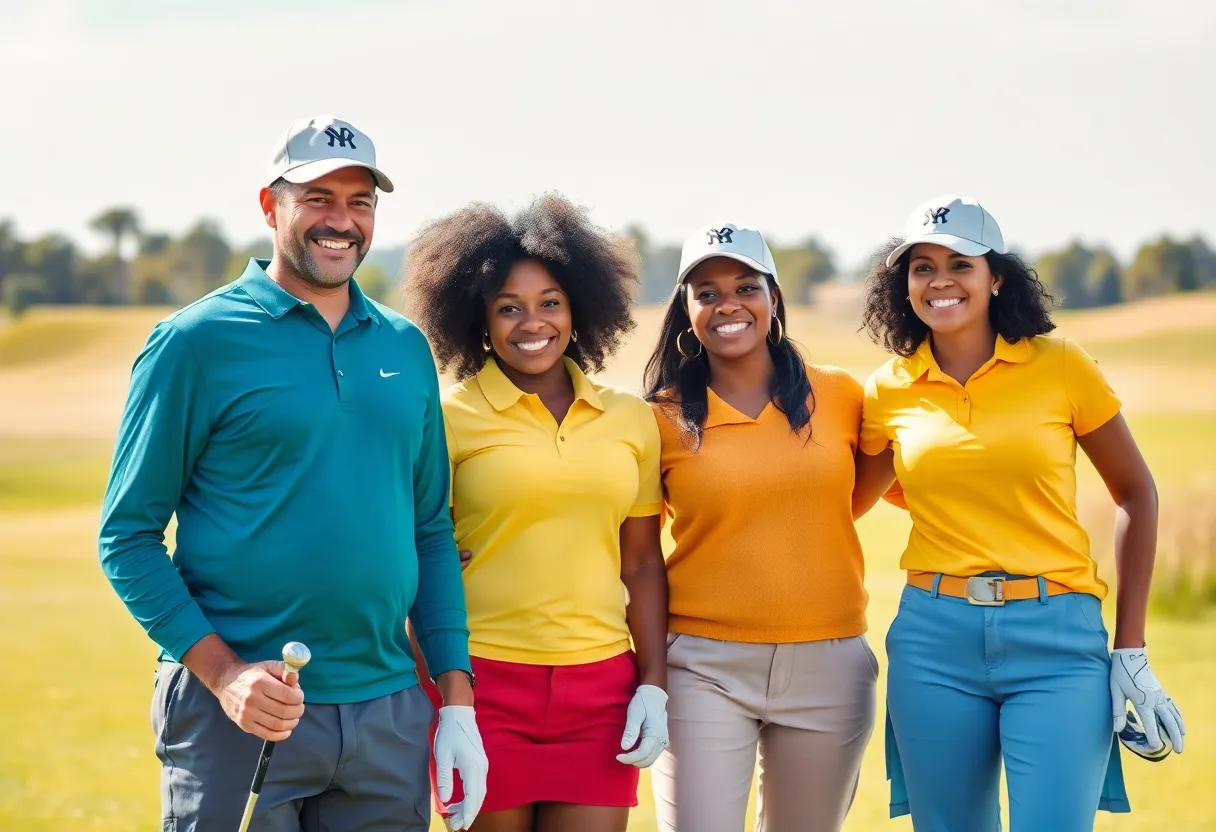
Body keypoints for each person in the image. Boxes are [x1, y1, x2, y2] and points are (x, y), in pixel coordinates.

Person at [97, 115, 489, 832]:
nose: (341, 221)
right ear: (269, 205)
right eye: (318, 198)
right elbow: (126, 537)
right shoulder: (193, 343)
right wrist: (225, 676)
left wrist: (455, 702)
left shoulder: (405, 348)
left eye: (360, 201)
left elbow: (430, 531)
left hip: (388, 712)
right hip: (237, 712)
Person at [854, 195, 1187, 831]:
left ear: (996, 276)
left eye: (960, 263)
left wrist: (1132, 649)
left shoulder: (1061, 365)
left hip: (1058, 639)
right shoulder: (888, 388)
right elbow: (851, 499)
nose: (940, 280)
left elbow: (1135, 493)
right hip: (933, 641)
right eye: (921, 267)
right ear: (903, 285)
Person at [400, 194, 671, 832]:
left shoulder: (630, 419)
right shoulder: (447, 418)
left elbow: (641, 562)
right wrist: (443, 702)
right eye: (508, 307)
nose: (533, 322)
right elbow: (419, 557)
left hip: (602, 691)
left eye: (550, 301)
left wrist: (653, 684)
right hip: (479, 685)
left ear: (579, 308)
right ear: (480, 322)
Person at [641, 223, 880, 832]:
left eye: (746, 286)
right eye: (706, 291)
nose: (728, 304)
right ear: (685, 311)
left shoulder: (843, 396)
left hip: (828, 667)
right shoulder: (659, 420)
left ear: (773, 299)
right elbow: (634, 555)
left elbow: (865, 495)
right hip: (700, 668)